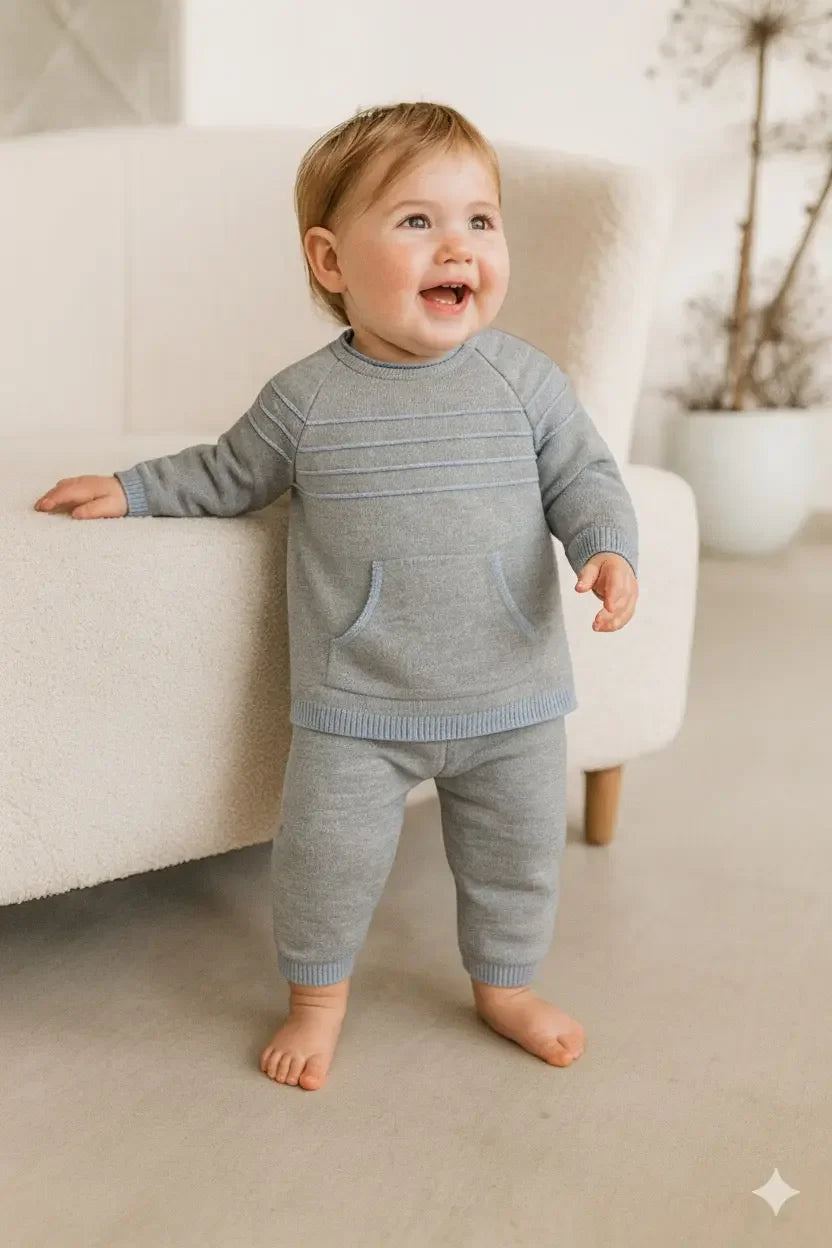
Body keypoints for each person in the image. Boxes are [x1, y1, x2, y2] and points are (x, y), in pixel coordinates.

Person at [33, 102, 640, 1092]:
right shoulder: (306, 399)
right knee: (324, 861)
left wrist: (607, 549)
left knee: (517, 861)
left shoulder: (525, 382)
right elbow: (226, 473)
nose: (458, 245)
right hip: (357, 707)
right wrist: (132, 488)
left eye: (480, 220)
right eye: (417, 221)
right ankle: (316, 1003)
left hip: (514, 697)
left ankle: (506, 987)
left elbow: (585, 478)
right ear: (330, 261)